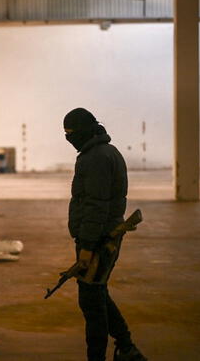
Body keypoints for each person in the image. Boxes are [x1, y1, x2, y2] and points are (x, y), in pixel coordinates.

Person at [63, 108, 147, 361]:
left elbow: (96, 205)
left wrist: (87, 246)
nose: (69, 138)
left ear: (86, 130)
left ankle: (103, 354)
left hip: (99, 240)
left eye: (71, 133)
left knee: (92, 303)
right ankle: (127, 347)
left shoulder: (96, 157)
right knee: (96, 294)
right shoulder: (103, 152)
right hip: (101, 236)